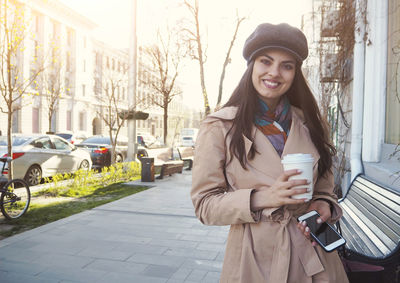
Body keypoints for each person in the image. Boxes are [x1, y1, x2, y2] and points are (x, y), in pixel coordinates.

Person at [191, 23, 349, 283]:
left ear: (295, 72)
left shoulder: (311, 123)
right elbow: (205, 206)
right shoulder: (220, 126)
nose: (274, 73)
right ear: (252, 64)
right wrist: (265, 197)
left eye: (287, 65)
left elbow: (325, 190)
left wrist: (324, 206)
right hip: (254, 258)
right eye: (266, 61)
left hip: (313, 254)